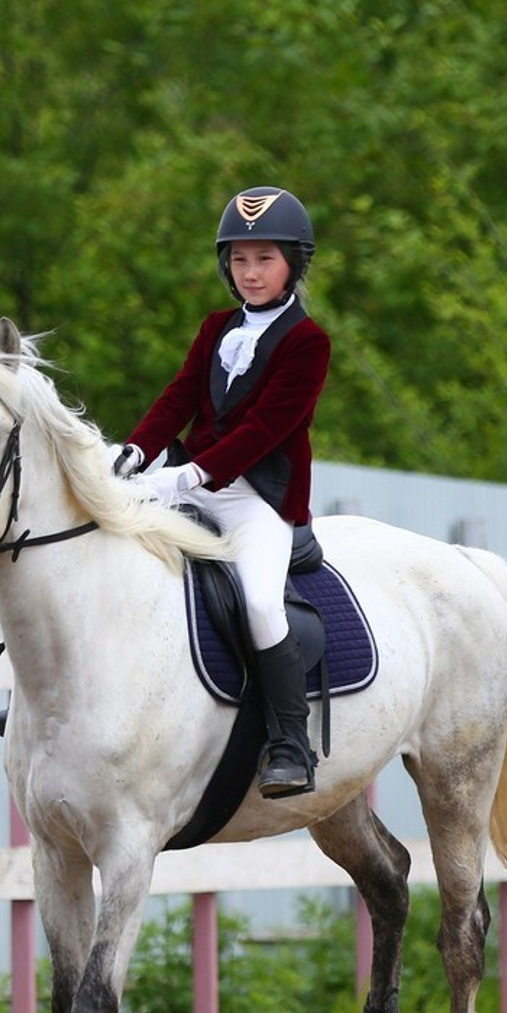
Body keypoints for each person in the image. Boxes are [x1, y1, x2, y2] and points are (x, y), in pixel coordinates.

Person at [114, 185, 330, 798]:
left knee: (261, 603)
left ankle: (291, 744)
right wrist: (134, 451)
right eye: (239, 260)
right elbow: (179, 396)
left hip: (257, 500)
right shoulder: (216, 328)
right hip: (192, 483)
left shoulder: (308, 343)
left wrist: (189, 474)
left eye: (265, 259)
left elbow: (268, 429)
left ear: (293, 262)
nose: (251, 272)